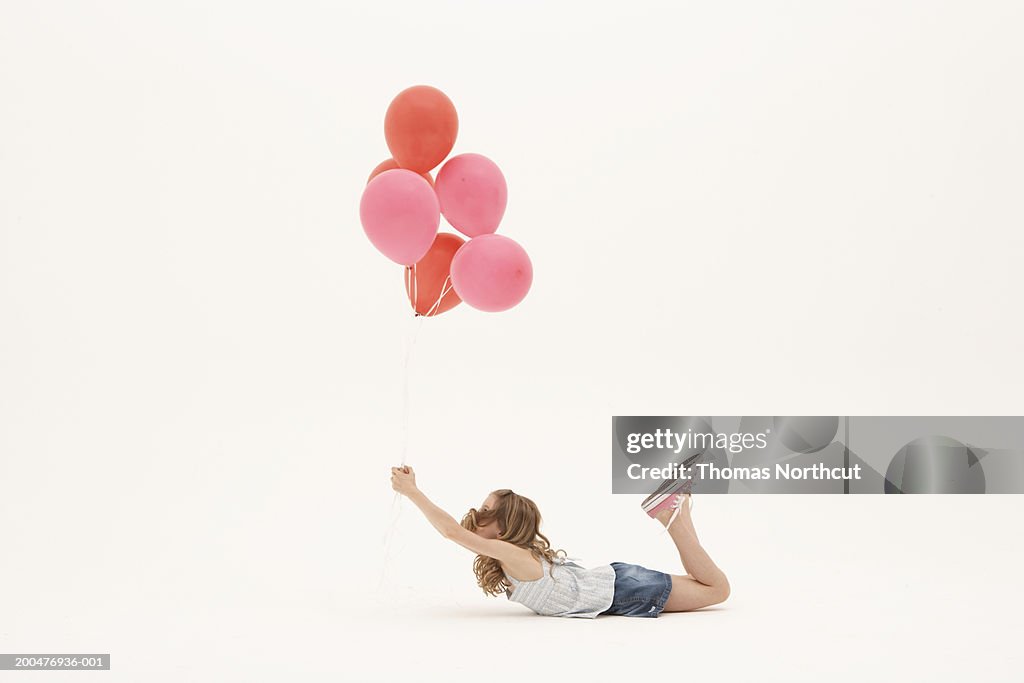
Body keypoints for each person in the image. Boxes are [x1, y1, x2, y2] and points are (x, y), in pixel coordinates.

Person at [389, 465, 730, 618]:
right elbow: (458, 532)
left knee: (717, 589)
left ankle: (672, 516)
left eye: (486, 511)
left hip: (624, 591)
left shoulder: (512, 554)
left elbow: (453, 532)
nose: (477, 514)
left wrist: (413, 492)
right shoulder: (514, 558)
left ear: (504, 531)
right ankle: (677, 510)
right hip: (620, 583)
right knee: (707, 585)